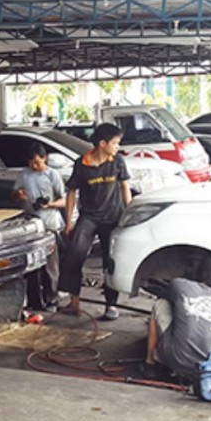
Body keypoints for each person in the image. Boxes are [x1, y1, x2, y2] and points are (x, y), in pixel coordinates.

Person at [59, 123, 132, 321]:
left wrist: (129, 214)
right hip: (89, 217)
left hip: (113, 217)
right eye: (115, 143)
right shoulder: (81, 164)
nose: (118, 146)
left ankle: (111, 305)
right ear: (102, 143)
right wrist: (69, 222)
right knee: (75, 254)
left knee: (110, 262)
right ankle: (73, 302)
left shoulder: (117, 160)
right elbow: (71, 192)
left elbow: (125, 187)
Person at [143, 277, 211, 379]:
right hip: (210, 364)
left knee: (161, 304)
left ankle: (150, 363)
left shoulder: (179, 284)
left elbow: (164, 293)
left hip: (175, 359)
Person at [13, 143, 66, 311]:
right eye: (30, 163)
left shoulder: (52, 175)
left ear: (44, 159)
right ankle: (34, 300)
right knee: (31, 265)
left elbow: (64, 200)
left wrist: (50, 204)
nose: (33, 166)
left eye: (37, 162)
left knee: (51, 265)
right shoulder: (24, 175)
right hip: (30, 225)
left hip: (49, 224)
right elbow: (13, 196)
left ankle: (52, 299)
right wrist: (19, 195)